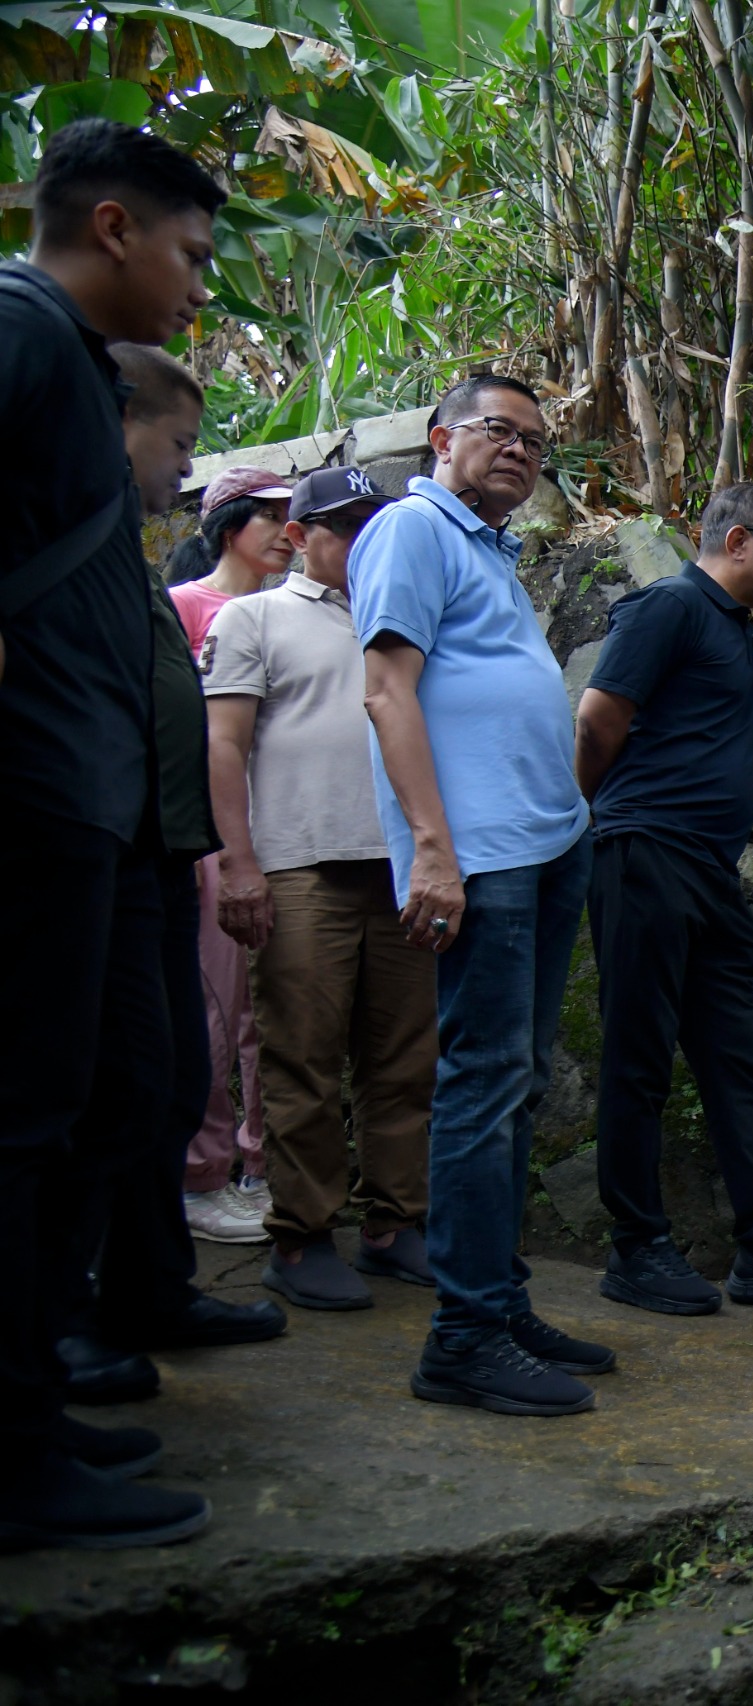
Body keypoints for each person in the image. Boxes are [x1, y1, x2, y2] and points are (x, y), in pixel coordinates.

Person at [0, 117, 227, 1551]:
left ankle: (30, 1407)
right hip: (31, 794)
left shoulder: (68, 359)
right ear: (111, 226)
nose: (199, 285)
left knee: (65, 1108)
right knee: (21, 1118)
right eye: (190, 253)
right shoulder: (23, 330)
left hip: (79, 799)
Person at [352, 371, 610, 1417]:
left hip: (544, 845)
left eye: (535, 442)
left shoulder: (488, 548)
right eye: (499, 429)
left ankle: (497, 1301)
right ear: (439, 436)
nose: (520, 450)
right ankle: (462, 1336)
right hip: (482, 852)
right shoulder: (412, 528)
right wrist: (431, 849)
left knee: (518, 1081)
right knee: (482, 1082)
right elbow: (386, 691)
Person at [50, 347, 289, 1412]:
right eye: (179, 443)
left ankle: (151, 1285)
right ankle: (56, 1323)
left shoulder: (115, 543)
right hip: (91, 841)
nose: (185, 470)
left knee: (163, 1073)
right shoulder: (61, 525)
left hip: (153, 845)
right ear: (115, 424)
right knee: (91, 1089)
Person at [574, 483, 753, 1315]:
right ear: (738, 541)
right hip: (644, 853)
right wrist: (595, 813)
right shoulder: (669, 607)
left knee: (735, 1057)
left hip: (709, 872)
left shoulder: (736, 638)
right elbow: (597, 719)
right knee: (638, 1057)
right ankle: (636, 1248)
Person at [205, 466, 440, 1311]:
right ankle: (301, 1236)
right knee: (300, 1057)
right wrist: (239, 862)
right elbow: (222, 744)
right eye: (343, 526)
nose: (361, 539)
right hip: (301, 865)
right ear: (301, 537)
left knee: (406, 1058)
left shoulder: (403, 616)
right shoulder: (253, 616)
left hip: (399, 870)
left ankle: (394, 1225)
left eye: (372, 524)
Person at [162, 465, 295, 1243]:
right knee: (214, 1006)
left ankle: (261, 1167)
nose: (286, 532)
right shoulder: (183, 607)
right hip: (212, 837)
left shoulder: (291, 611)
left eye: (292, 517)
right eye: (268, 516)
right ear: (226, 525)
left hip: (282, 828)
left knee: (268, 1013)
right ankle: (201, 1175)